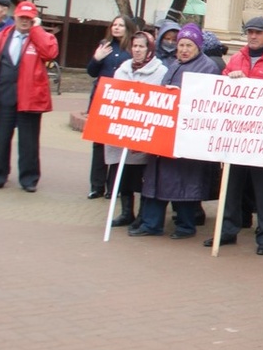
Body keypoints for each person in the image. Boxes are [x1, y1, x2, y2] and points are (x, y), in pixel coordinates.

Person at [205, 17, 263, 255]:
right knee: (231, 186)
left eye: (258, 32)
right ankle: (227, 230)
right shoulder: (236, 59)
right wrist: (229, 81)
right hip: (236, 136)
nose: (253, 36)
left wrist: (248, 85)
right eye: (250, 32)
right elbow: (221, 88)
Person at [131, 24, 221, 238]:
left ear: (198, 46)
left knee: (184, 183)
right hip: (166, 134)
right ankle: (151, 224)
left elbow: (208, 100)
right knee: (157, 181)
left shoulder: (207, 67)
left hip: (187, 137)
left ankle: (185, 226)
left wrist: (181, 95)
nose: (184, 49)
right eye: (181, 45)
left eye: (189, 45)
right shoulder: (174, 64)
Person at [0, 0, 58, 192]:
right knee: (0, 139)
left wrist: (36, 30)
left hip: (30, 99)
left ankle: (29, 179)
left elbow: (50, 53)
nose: (25, 21)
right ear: (15, 17)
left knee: (29, 142)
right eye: (22, 17)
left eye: (29, 18)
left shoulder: (41, 38)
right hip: (3, 97)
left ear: (34, 20)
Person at [107, 31, 164, 227]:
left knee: (142, 177)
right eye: (135, 46)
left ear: (150, 49)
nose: (137, 50)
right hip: (123, 131)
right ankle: (126, 212)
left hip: (144, 133)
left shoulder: (160, 71)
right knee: (122, 174)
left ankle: (142, 215)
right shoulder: (122, 70)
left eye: (142, 46)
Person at [86, 15, 136, 199]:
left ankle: (113, 187)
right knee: (98, 144)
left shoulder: (131, 49)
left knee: (116, 144)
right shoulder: (104, 46)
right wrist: (96, 58)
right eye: (114, 25)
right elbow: (91, 72)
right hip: (101, 99)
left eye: (121, 25)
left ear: (128, 29)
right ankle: (96, 186)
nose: (116, 28)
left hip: (121, 101)